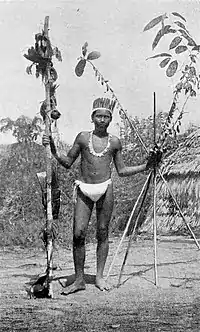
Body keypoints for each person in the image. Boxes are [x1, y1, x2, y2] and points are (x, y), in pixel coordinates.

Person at [42, 97, 160, 295]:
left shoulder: (114, 142)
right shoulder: (82, 138)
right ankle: (79, 279)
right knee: (78, 233)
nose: (102, 120)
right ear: (92, 117)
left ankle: (99, 276)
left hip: (105, 188)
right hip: (84, 189)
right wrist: (52, 147)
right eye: (99, 116)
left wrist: (145, 166)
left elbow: (121, 170)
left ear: (110, 119)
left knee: (102, 232)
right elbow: (67, 162)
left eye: (106, 117)